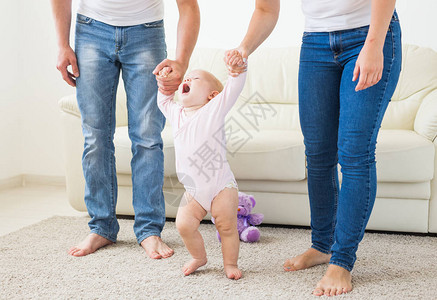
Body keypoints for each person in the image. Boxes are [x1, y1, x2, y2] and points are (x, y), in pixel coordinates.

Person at [226, 0, 402, 296]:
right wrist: (244, 48)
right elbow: (265, 9)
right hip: (316, 43)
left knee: (355, 154)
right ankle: (322, 245)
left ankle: (342, 261)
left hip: (368, 34)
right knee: (318, 155)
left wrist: (374, 45)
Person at [50, 0, 200, 259]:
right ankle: (101, 227)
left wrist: (182, 62)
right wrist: (62, 44)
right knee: (95, 137)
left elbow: (188, 6)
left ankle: (149, 230)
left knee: (147, 138)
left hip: (147, 32)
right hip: (91, 31)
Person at [156, 50, 247, 279]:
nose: (187, 80)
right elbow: (164, 99)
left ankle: (230, 264)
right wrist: (166, 81)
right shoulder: (177, 113)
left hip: (221, 185)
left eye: (195, 79)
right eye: (186, 79)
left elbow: (233, 89)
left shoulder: (213, 110)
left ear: (212, 95)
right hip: (193, 189)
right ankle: (199, 257)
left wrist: (237, 71)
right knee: (184, 225)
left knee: (226, 227)